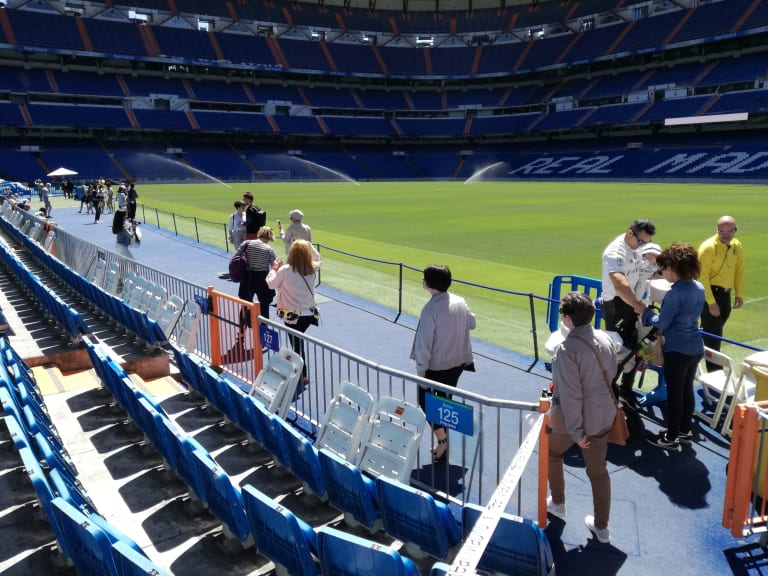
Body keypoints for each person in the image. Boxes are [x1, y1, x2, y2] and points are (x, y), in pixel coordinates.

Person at [547, 291, 619, 544]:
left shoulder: (566, 349)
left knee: (550, 453)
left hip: (574, 421)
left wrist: (577, 432)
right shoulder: (605, 338)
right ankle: (602, 528)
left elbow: (570, 396)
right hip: (603, 415)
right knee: (599, 472)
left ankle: (558, 503)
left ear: (567, 319)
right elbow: (611, 373)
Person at [410, 264, 476, 463]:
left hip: (435, 367)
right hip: (457, 364)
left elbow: (424, 346)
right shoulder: (460, 302)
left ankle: (443, 441)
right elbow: (472, 323)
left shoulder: (430, 309)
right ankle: (444, 442)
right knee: (445, 401)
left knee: (426, 403)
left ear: (428, 283)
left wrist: (420, 374)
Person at [642, 244, 705, 449]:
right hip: (695, 347)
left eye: (663, 269)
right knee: (687, 391)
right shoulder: (698, 287)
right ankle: (685, 431)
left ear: (673, 268)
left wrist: (645, 313)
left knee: (675, 396)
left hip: (677, 350)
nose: (662, 273)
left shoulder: (675, 293)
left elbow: (662, 322)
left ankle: (670, 437)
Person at [600, 218, 656, 407]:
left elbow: (644, 271)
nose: (642, 246)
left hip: (631, 302)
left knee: (635, 347)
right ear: (630, 233)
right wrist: (638, 306)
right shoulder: (615, 252)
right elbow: (619, 284)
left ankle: (625, 390)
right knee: (617, 351)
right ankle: (607, 390)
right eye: (641, 241)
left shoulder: (636, 248)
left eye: (646, 243)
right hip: (617, 305)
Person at [267, 239, 321, 383]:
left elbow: (271, 284)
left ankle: (302, 374)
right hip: (308, 314)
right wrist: (308, 244)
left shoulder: (285, 270)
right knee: (298, 342)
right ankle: (299, 371)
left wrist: (273, 269)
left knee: (297, 344)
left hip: (291, 316)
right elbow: (318, 257)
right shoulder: (312, 268)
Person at [698, 215, 744, 371]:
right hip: (710, 295)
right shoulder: (708, 248)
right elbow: (701, 277)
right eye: (721, 231)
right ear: (716, 230)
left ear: (735, 230)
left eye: (730, 231)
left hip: (725, 296)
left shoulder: (736, 245)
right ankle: (715, 378)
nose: (726, 235)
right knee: (713, 340)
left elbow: (739, 271)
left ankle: (694, 354)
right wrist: (711, 302)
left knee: (711, 334)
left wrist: (739, 293)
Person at [238, 226, 277, 321]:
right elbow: (274, 266)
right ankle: (263, 331)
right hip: (262, 278)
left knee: (245, 305)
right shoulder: (269, 249)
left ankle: (241, 332)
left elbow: (237, 256)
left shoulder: (246, 244)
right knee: (264, 308)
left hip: (247, 276)